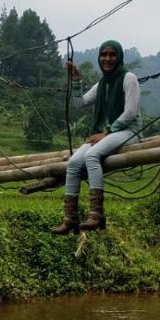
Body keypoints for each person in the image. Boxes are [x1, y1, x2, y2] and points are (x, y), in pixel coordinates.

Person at [52, 40, 141, 234]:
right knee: (74, 163)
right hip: (106, 133)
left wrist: (107, 131)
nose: (107, 59)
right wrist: (75, 79)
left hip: (128, 131)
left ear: (119, 57)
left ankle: (96, 214)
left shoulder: (129, 78)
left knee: (92, 156)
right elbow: (80, 103)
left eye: (112, 55)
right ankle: (69, 218)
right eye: (104, 55)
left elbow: (131, 112)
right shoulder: (102, 84)